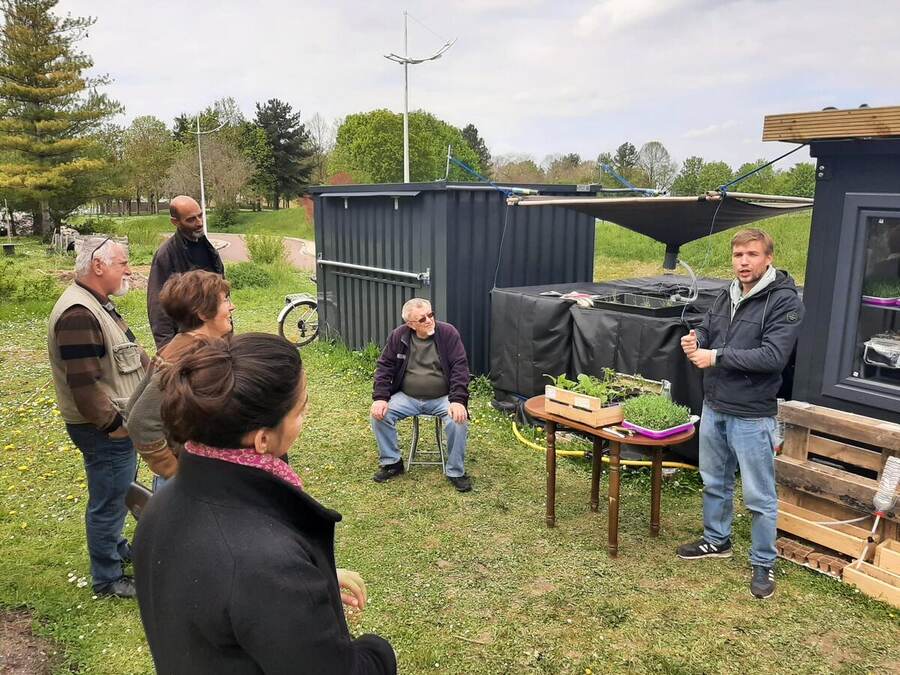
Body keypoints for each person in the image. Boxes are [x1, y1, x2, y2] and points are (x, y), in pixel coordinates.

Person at [133, 334, 396, 674]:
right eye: (300, 410)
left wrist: (314, 583)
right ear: (262, 439)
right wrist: (378, 651)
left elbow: (218, 597)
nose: (305, 417)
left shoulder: (164, 502)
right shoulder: (270, 569)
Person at [677, 228, 804, 600]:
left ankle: (763, 561)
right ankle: (717, 540)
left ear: (768, 258)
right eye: (737, 255)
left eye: (751, 254)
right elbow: (708, 326)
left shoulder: (784, 302)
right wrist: (697, 338)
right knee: (714, 481)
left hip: (751, 413)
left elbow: (773, 356)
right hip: (715, 404)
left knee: (759, 496)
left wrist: (715, 356)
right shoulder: (727, 293)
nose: (743, 262)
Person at [48, 236, 148, 598]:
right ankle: (106, 578)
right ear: (99, 266)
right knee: (109, 498)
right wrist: (116, 428)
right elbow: (85, 386)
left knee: (119, 491)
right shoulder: (78, 315)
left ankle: (116, 547)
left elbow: (127, 355)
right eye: (123, 263)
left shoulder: (98, 304)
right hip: (104, 430)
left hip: (117, 427)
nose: (129, 270)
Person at [126, 270, 234, 490]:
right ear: (203, 313)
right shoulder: (188, 358)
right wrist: (173, 470)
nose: (232, 307)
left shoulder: (179, 345)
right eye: (225, 301)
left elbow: (133, 403)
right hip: (190, 480)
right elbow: (139, 420)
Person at [370, 298, 472, 492]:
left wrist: (458, 401)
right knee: (379, 414)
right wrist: (380, 398)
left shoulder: (448, 333)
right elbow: (385, 367)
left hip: (443, 398)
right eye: (422, 318)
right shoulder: (399, 336)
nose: (429, 320)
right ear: (410, 324)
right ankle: (392, 462)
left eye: (431, 314)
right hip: (408, 398)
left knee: (459, 419)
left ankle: (455, 471)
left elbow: (460, 368)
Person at [147, 195, 224, 350]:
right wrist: (167, 350)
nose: (199, 223)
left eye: (200, 215)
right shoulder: (166, 255)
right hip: (187, 340)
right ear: (175, 222)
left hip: (215, 335)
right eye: (191, 219)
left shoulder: (208, 249)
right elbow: (158, 306)